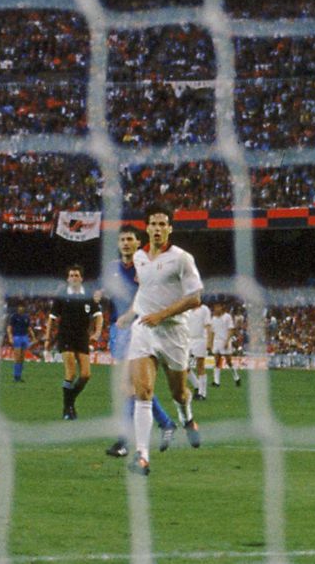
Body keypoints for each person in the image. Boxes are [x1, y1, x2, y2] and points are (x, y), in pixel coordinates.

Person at [118, 204, 204, 476]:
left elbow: (195, 297)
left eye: (162, 224)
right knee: (143, 391)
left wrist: (162, 314)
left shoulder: (182, 259)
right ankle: (142, 456)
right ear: (147, 228)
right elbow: (145, 289)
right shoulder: (140, 257)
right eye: (152, 224)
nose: (157, 228)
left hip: (174, 332)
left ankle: (186, 417)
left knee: (179, 392)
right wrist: (133, 313)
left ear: (170, 228)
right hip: (144, 330)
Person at [102, 228, 176, 459]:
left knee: (129, 387)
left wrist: (129, 314)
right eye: (122, 239)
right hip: (118, 329)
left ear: (137, 243)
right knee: (135, 386)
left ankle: (124, 442)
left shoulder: (144, 265)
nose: (125, 243)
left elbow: (146, 294)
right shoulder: (112, 268)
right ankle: (166, 424)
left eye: (129, 239)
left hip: (138, 328)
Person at [43, 264, 102, 420]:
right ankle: (67, 408)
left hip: (82, 337)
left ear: (81, 278)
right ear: (68, 279)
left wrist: (97, 332)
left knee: (86, 375)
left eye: (77, 275)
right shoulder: (62, 296)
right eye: (72, 275)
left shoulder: (88, 295)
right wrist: (48, 339)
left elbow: (99, 315)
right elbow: (52, 319)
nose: (74, 278)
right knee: (71, 372)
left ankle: (70, 401)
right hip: (66, 336)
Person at [208, 303, 242, 388]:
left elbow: (231, 330)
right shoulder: (213, 318)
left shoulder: (227, 317)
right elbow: (212, 332)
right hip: (216, 342)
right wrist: (210, 343)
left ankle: (236, 378)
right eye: (215, 307)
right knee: (217, 361)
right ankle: (216, 382)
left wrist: (227, 341)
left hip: (224, 341)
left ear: (222, 307)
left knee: (228, 361)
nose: (215, 309)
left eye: (217, 307)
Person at [185, 300, 212, 400]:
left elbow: (208, 326)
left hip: (200, 339)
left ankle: (202, 393)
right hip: (188, 340)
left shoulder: (204, 309)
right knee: (184, 366)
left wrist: (209, 342)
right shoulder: (187, 310)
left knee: (200, 365)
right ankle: (197, 385)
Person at [6, 301, 33, 382]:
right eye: (20, 306)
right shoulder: (14, 316)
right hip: (17, 337)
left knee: (21, 358)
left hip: (24, 337)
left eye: (22, 307)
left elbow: (29, 327)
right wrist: (10, 337)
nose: (21, 308)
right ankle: (16, 376)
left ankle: (19, 376)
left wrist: (33, 336)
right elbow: (9, 328)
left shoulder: (26, 317)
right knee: (17, 357)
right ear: (18, 308)